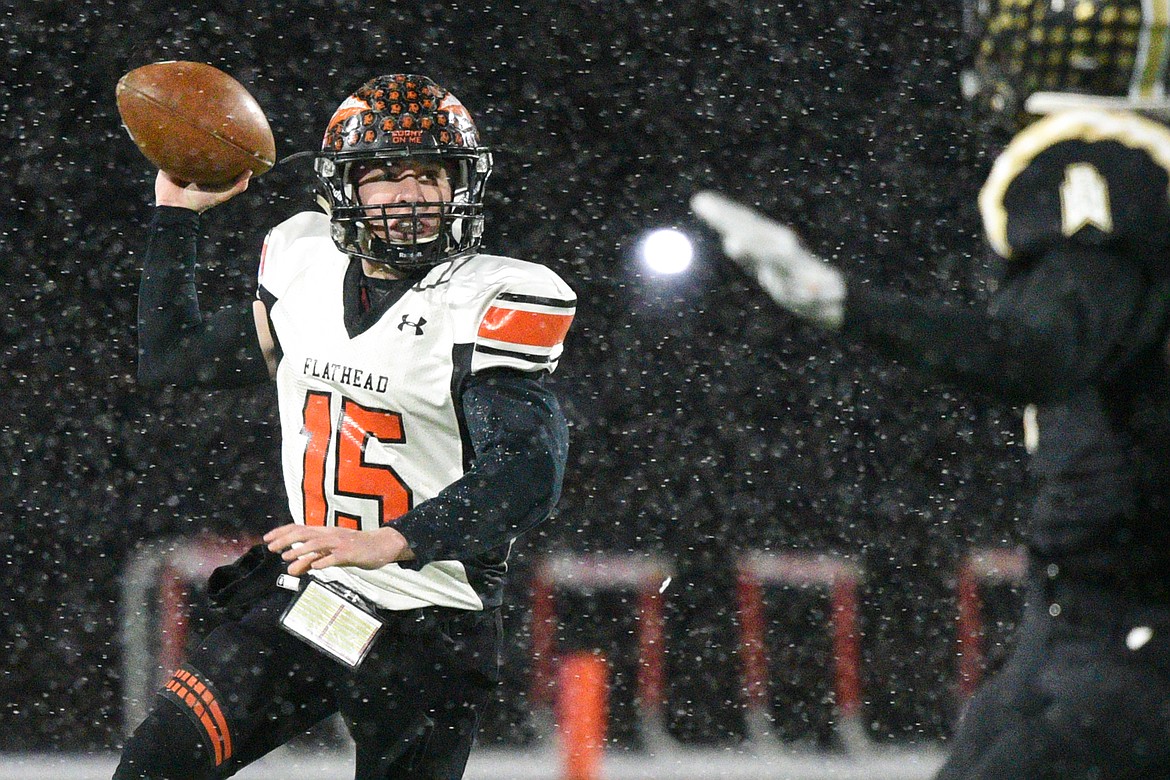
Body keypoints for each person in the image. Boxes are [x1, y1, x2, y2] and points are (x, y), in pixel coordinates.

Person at [693, 2, 1170, 778]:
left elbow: (1042, 353)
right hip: (1088, 618)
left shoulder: (1100, 156)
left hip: (1129, 626)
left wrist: (844, 302)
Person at [114, 73, 576, 780]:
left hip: (430, 626)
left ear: (461, 183)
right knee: (155, 765)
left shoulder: (488, 300)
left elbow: (525, 473)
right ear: (344, 188)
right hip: (314, 602)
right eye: (384, 176)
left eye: (429, 172)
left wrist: (391, 542)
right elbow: (173, 358)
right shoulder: (303, 260)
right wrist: (176, 215)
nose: (410, 194)